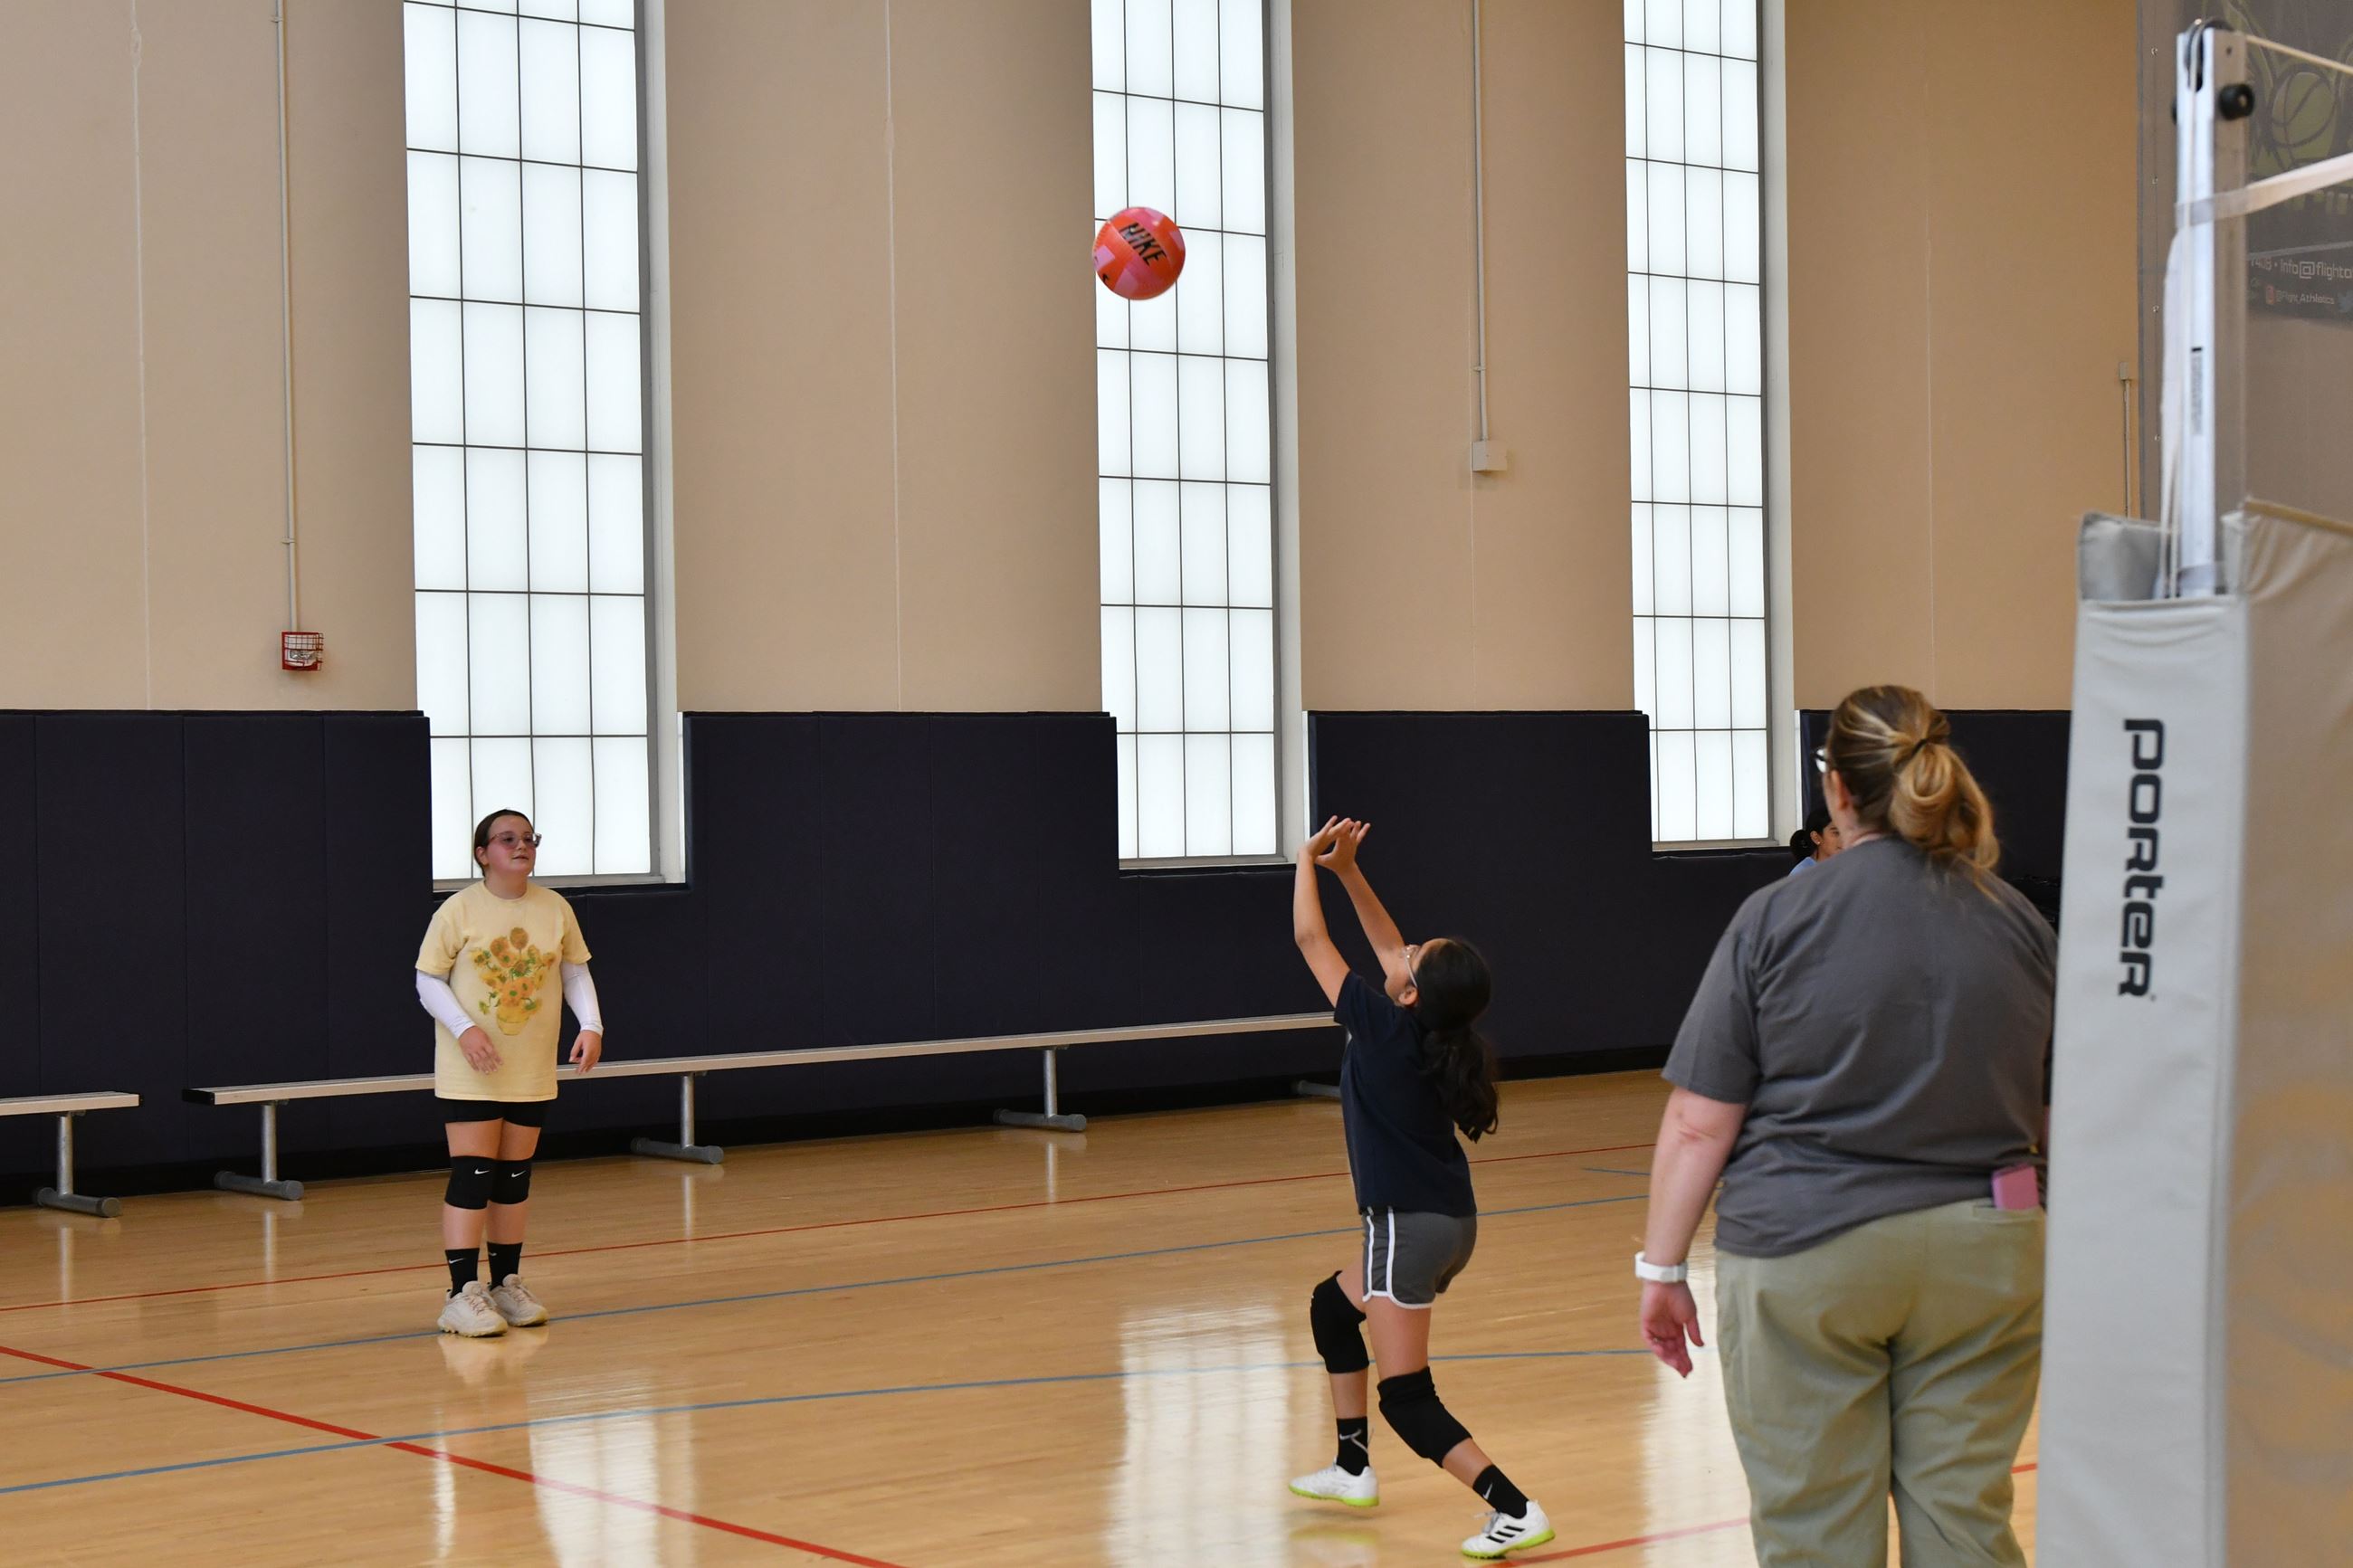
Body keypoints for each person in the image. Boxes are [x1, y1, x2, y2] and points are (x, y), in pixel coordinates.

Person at [1634, 686, 2056, 1567]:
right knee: (1961, 1521)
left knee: (1813, 1525)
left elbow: (1696, 1124)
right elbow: (2051, 1115)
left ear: (1834, 789)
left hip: (1804, 1246)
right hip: (1988, 1243)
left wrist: (1662, 1266)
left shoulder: (1777, 916)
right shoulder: (2016, 920)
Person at [1286, 816, 1554, 1560]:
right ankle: (1350, 1466)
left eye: (1411, 955)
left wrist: (1304, 861)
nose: (1400, 949)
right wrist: (1348, 873)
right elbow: (1383, 942)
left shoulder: (1382, 1026)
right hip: (1448, 1221)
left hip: (1406, 1227)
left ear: (1410, 991)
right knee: (1332, 1309)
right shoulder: (1432, 1033)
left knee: (1407, 1397)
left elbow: (1314, 942)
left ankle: (1514, 1505)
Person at [415, 809, 605, 1337]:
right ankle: (460, 1293)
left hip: (530, 1067)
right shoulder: (458, 911)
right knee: (473, 1175)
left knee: (513, 1179)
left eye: (527, 838)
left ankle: (505, 1283)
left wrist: (591, 1025)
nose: (520, 846)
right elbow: (428, 980)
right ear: (483, 853)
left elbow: (574, 971)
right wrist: (464, 1028)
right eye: (507, 839)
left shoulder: (555, 908)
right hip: (472, 1067)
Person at [1786, 803, 1843, 875]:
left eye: (1846, 832)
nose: (1844, 838)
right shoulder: (1802, 874)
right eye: (1836, 833)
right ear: (1816, 838)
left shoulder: (1850, 867)